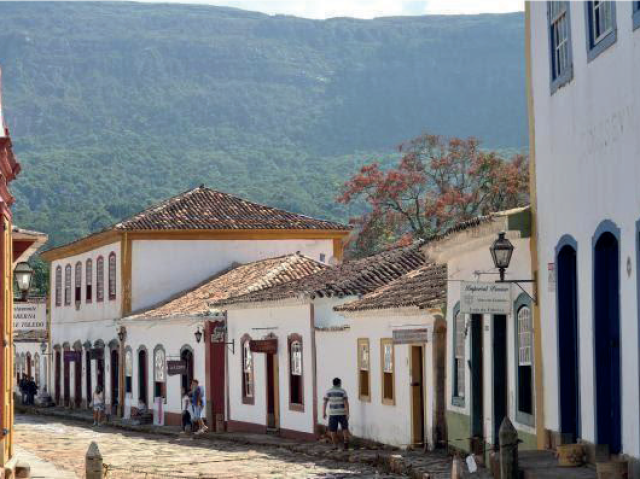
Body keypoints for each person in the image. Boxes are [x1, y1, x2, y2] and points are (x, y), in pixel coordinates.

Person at [323, 377, 350, 450]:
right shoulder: (343, 391)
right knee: (344, 428)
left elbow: (325, 402)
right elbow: (346, 403)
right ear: (339, 383)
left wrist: (324, 412)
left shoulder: (328, 392)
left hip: (332, 414)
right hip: (342, 413)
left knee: (333, 430)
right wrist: (347, 413)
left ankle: (335, 445)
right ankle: (346, 443)